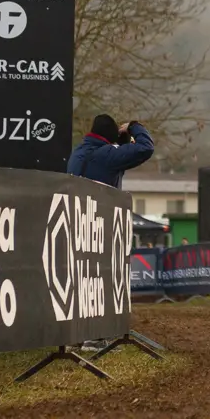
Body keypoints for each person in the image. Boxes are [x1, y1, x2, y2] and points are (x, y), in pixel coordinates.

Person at [68, 114, 154, 354]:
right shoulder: (105, 155)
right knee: (100, 281)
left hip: (77, 224)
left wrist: (122, 140)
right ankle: (95, 338)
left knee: (82, 281)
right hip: (100, 225)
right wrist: (135, 126)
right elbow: (145, 149)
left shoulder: (79, 153)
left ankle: (79, 336)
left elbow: (118, 159)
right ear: (109, 138)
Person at [68, 115, 155, 190]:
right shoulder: (106, 155)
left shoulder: (77, 152)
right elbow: (146, 147)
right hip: (103, 208)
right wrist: (132, 126)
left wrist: (123, 144)